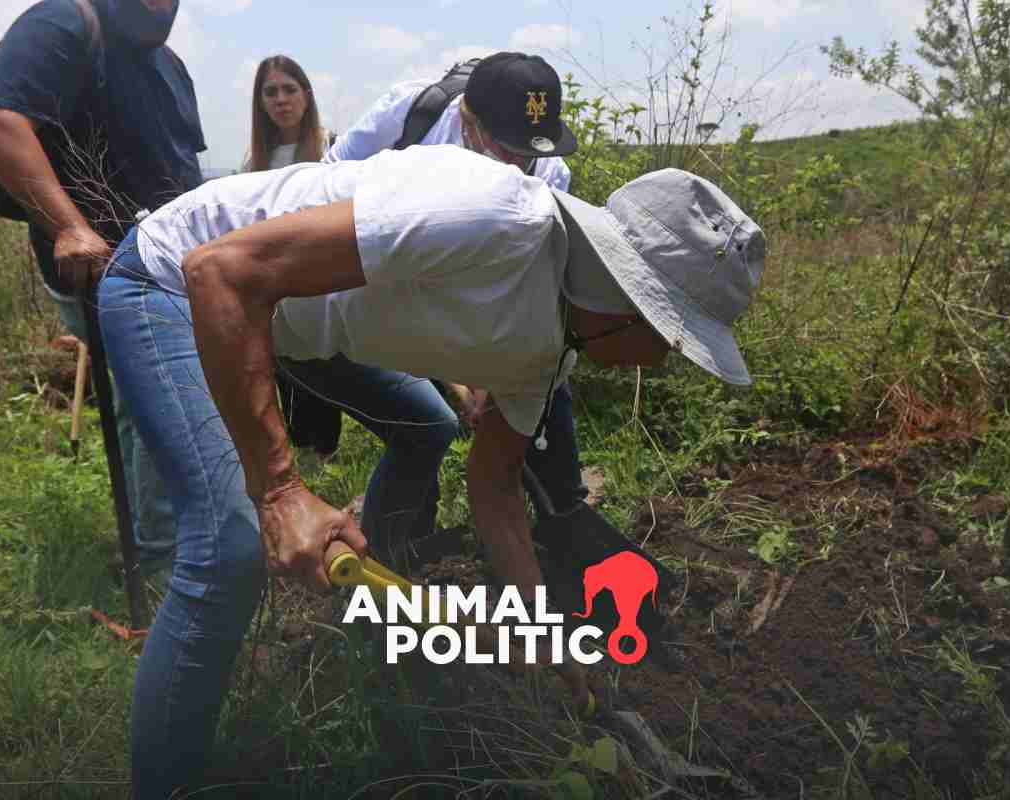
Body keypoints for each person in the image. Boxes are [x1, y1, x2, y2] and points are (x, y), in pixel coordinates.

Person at [97, 143, 765, 797]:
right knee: (229, 549)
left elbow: (496, 484)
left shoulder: (551, 353)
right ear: (631, 304)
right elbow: (221, 269)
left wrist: (537, 627)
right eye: (677, 340)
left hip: (278, 319)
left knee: (425, 428)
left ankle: (364, 619)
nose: (668, 360)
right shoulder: (496, 218)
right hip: (172, 281)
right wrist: (280, 491)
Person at [305, 51, 585, 567]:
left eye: (528, 151)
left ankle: (562, 520)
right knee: (424, 425)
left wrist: (492, 379)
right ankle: (397, 554)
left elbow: (522, 288)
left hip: (465, 302)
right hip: (365, 287)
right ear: (467, 122)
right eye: (506, 149)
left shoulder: (550, 174)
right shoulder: (412, 115)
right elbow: (323, 198)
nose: (517, 164)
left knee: (547, 382)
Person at [0, 0, 205, 580]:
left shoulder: (171, 67)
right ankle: (168, 563)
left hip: (173, 267)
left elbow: (179, 168)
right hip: (103, 270)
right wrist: (71, 227)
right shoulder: (65, 22)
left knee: (149, 405)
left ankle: (172, 545)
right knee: (161, 403)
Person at [242, 54, 344, 458]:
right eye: (271, 92)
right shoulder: (254, 163)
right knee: (295, 383)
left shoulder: (333, 146)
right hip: (277, 289)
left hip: (329, 282)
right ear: (261, 102)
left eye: (289, 89)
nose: (281, 99)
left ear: (306, 95)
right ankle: (314, 462)